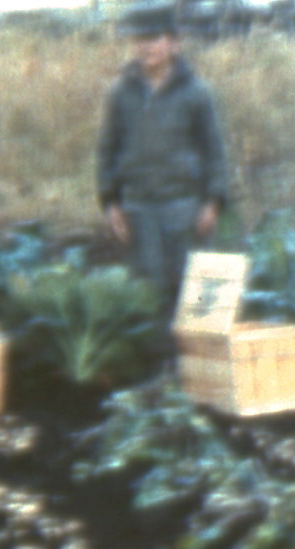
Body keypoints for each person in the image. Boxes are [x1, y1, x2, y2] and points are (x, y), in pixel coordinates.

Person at [96, 6, 231, 318]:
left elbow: (214, 151)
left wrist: (212, 202)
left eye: (154, 38)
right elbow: (107, 151)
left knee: (192, 296)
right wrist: (110, 202)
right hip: (139, 209)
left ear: (174, 43)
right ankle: (157, 365)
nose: (145, 46)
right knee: (146, 293)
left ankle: (193, 363)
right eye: (138, 39)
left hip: (184, 207)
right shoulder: (120, 93)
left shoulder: (196, 93)